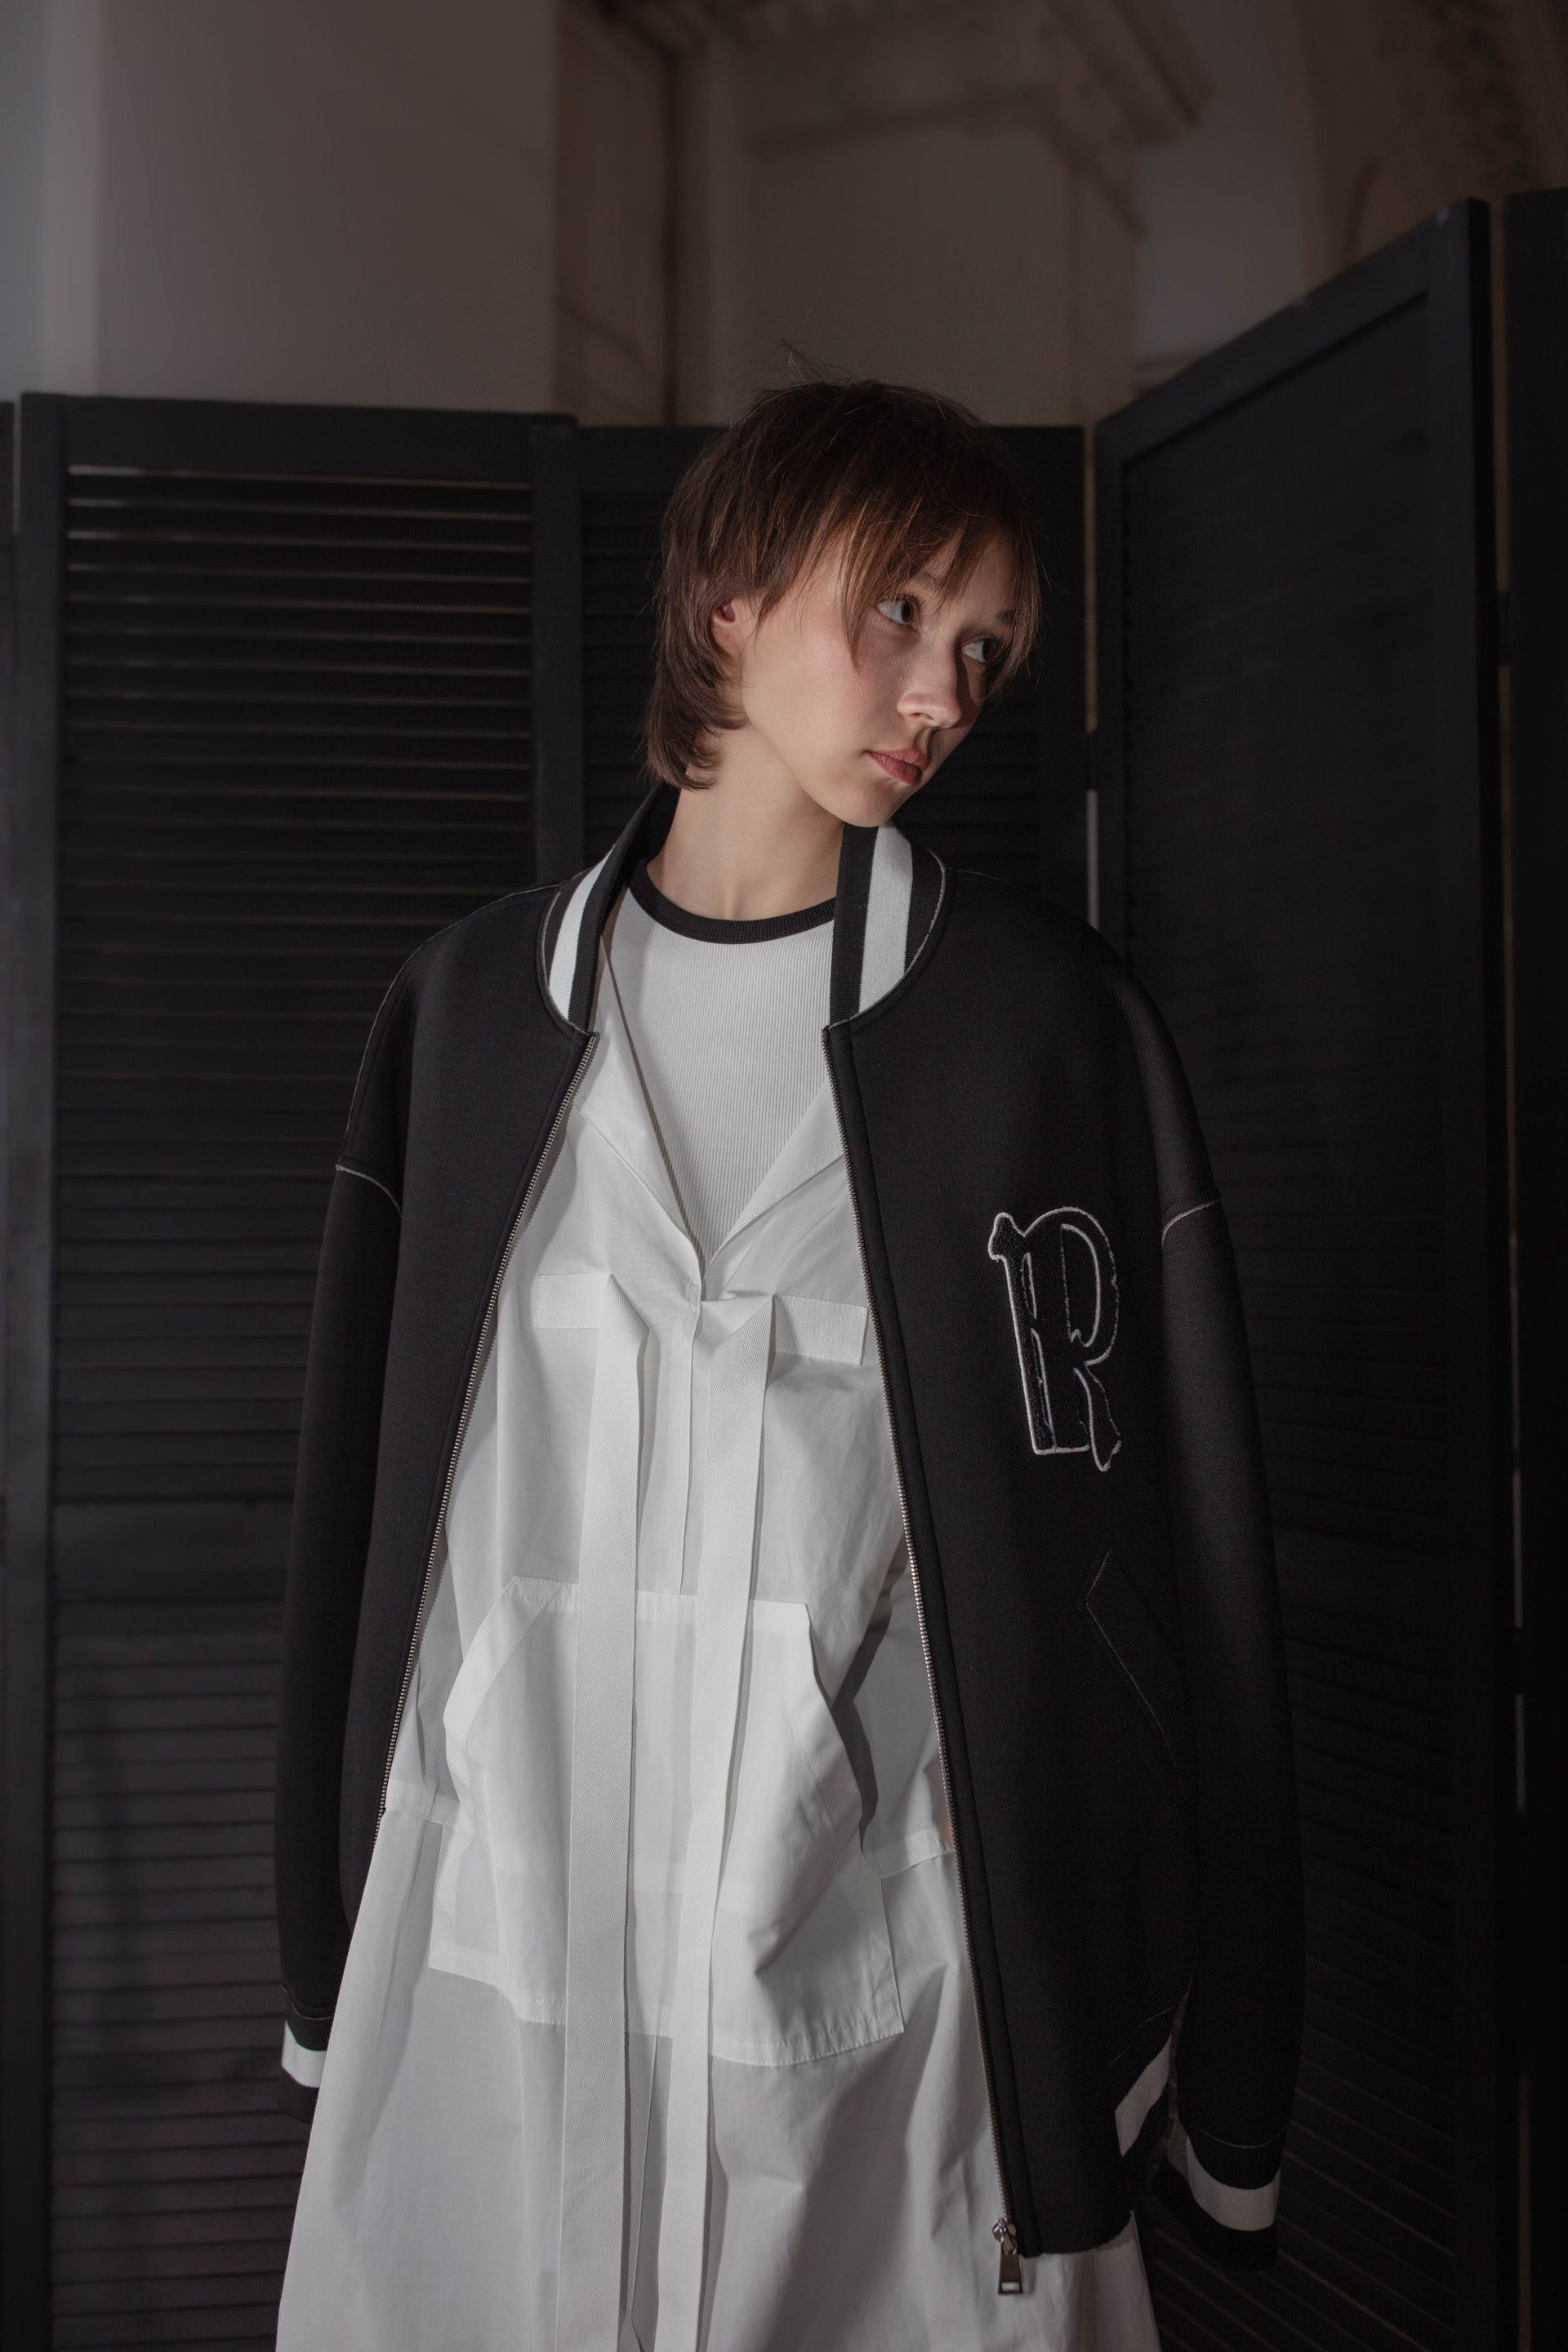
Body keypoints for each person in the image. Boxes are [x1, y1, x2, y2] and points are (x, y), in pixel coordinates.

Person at [273, 380, 1303, 2351]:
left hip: (897, 2023)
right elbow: (358, 1536)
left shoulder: (1043, 1031)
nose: (943, 692)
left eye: (983, 647)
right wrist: (320, 1943)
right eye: (900, 610)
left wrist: (1228, 2057)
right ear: (731, 598)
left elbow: (1187, 1576)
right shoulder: (470, 1014)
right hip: (494, 1983)